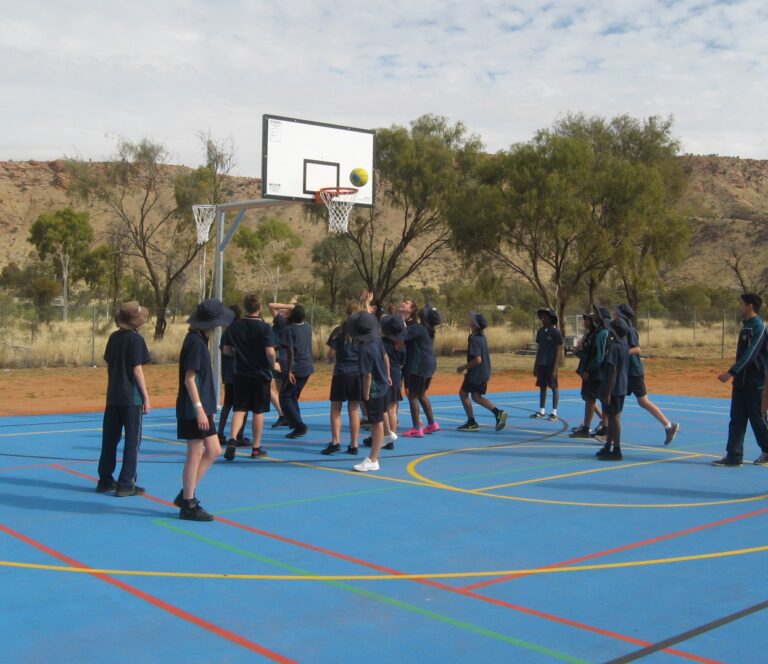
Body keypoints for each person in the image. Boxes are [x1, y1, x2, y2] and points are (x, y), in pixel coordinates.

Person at [173, 298, 234, 521]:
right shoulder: (195, 343)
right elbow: (190, 379)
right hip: (192, 409)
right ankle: (188, 503)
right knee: (196, 452)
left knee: (214, 450)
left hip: (202, 407)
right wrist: (199, 408)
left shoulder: (199, 340)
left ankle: (186, 492)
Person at [97, 301, 151, 496]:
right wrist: (146, 396)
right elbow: (137, 369)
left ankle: (105, 478)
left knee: (110, 439)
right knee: (132, 441)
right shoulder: (136, 340)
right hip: (131, 397)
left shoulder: (113, 338)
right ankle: (126, 482)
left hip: (113, 395)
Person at [714, 293, 768, 467]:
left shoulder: (758, 327)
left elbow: (750, 355)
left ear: (750, 306)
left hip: (755, 382)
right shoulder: (746, 327)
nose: (739, 307)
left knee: (758, 418)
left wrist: (731, 372)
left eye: (742, 304)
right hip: (741, 383)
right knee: (736, 419)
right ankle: (734, 456)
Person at [222, 294, 277, 461]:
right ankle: (256, 447)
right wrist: (273, 365)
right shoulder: (265, 328)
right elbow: (270, 352)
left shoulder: (235, 327)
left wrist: (238, 354)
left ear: (245, 308)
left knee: (239, 409)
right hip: (260, 374)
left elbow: (226, 350)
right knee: (258, 412)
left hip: (241, 373)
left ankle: (232, 439)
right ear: (259, 308)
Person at [615, 304, 680, 445]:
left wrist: (621, 353)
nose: (614, 314)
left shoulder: (630, 330)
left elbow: (637, 348)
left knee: (642, 401)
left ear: (622, 315)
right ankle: (609, 432)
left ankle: (669, 426)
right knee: (617, 400)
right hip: (626, 371)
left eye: (617, 312)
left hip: (634, 372)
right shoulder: (619, 330)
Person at [348, 311, 390, 472]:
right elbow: (386, 358)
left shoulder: (365, 349)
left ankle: (373, 459)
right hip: (382, 385)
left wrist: (365, 395)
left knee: (376, 424)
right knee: (377, 422)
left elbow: (367, 375)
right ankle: (376, 454)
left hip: (373, 390)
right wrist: (387, 376)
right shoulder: (377, 341)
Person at [453, 311, 507, 432]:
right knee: (476, 396)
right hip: (484, 371)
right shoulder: (481, 336)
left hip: (476, 373)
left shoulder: (473, 338)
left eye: (472, 320)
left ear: (476, 324)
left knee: (463, 394)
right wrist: (461, 351)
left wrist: (463, 367)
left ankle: (471, 422)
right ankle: (498, 413)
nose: (470, 320)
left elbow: (477, 359)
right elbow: (474, 351)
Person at [321, 301, 363, 455]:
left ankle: (336, 441)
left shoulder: (339, 331)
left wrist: (329, 359)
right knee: (353, 409)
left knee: (335, 409)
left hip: (341, 373)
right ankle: (354, 444)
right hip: (356, 373)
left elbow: (331, 354)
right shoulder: (363, 333)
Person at [402, 303, 441, 437]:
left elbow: (402, 335)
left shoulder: (418, 328)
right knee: (422, 394)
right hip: (430, 364)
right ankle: (432, 424)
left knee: (413, 395)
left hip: (420, 365)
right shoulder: (428, 330)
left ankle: (416, 428)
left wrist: (400, 320)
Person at [570, 308, 609, 438]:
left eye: (589, 318)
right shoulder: (594, 334)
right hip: (594, 370)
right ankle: (602, 425)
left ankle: (593, 427)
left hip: (596, 372)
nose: (586, 320)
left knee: (593, 399)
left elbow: (598, 357)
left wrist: (587, 369)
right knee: (591, 398)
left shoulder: (600, 334)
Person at [595, 317, 630, 461]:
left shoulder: (615, 347)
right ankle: (608, 446)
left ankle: (617, 449)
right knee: (611, 416)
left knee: (614, 417)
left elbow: (613, 370)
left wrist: (608, 392)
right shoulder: (624, 345)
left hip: (614, 387)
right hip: (621, 385)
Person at [279, 303, 314, 438]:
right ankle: (298, 423)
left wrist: (289, 370)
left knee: (285, 397)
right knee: (292, 396)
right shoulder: (307, 327)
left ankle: (299, 425)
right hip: (307, 366)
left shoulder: (289, 330)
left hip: (297, 367)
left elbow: (290, 351)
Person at [217, 305, 249, 447]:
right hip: (238, 372)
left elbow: (222, 348)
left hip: (228, 373)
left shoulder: (228, 330)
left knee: (228, 404)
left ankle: (220, 433)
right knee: (242, 406)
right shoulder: (239, 329)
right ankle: (238, 435)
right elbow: (227, 350)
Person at [530, 307, 563, 421]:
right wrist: (535, 366)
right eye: (542, 316)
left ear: (551, 318)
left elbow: (559, 349)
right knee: (542, 387)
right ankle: (542, 411)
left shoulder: (555, 332)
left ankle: (554, 412)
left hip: (551, 365)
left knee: (554, 387)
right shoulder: (540, 332)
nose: (543, 318)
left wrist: (555, 368)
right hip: (541, 364)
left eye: (546, 316)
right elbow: (539, 350)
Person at [268, 303, 291, 428]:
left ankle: (284, 415)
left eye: (284, 311)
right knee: (280, 389)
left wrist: (289, 306)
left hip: (278, 359)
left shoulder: (282, 322)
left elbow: (271, 305)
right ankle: (285, 414)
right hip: (281, 358)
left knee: (274, 388)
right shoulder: (282, 323)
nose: (281, 311)